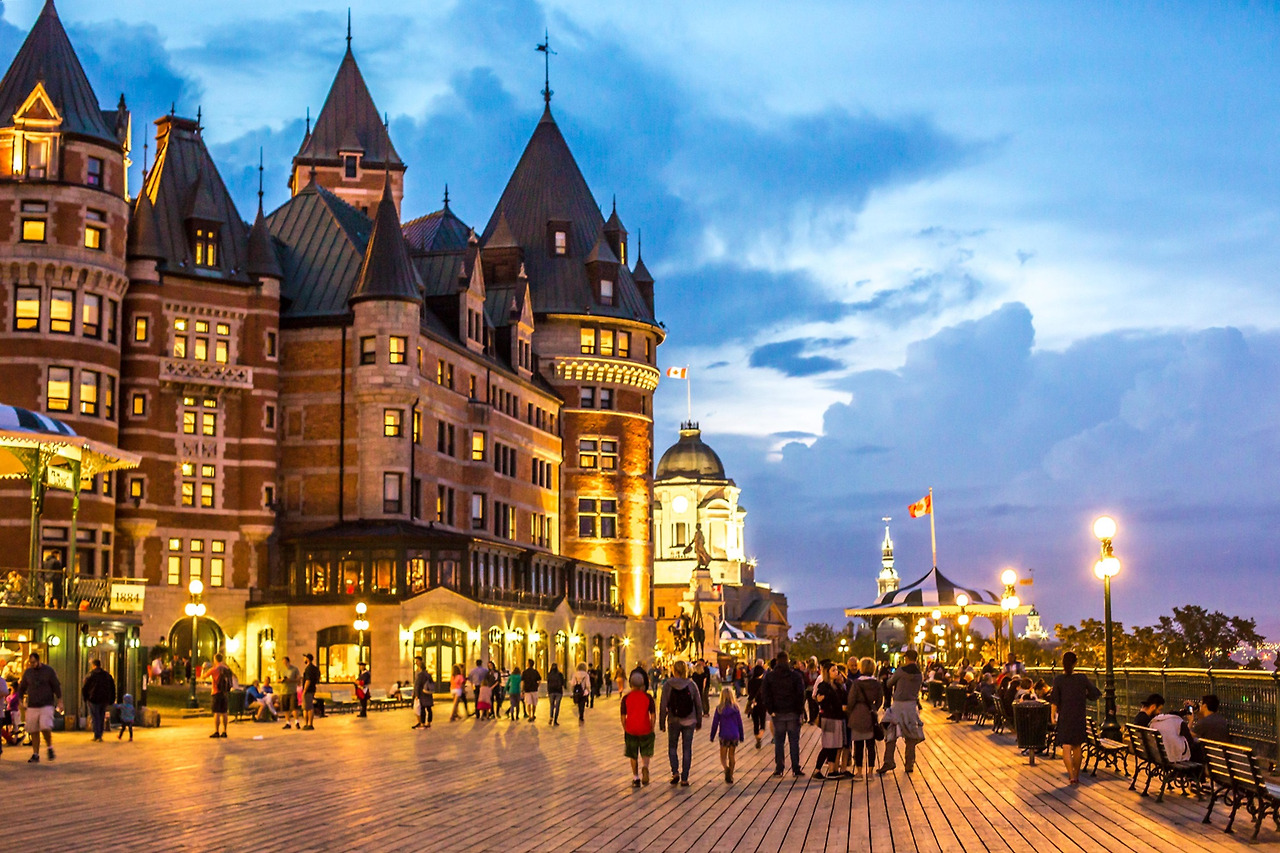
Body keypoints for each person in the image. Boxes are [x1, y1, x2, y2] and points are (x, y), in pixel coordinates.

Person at [1048, 651, 1100, 786]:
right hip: (1079, 716)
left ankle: (1071, 776)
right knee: (1077, 747)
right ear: (1075, 663)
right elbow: (1094, 693)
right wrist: (1084, 694)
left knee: (1066, 747)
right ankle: (1076, 775)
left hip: (1065, 716)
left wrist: (1053, 716)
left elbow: (1054, 700)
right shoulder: (1082, 678)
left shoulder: (1059, 680)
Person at [762, 650, 808, 778]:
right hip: (792, 712)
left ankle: (779, 767)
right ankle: (796, 767)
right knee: (794, 741)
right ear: (787, 660)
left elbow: (765, 694)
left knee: (779, 741)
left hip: (777, 713)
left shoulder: (770, 676)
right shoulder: (795, 676)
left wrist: (771, 709)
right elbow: (800, 694)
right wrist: (799, 710)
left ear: (777, 661)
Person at [878, 649, 924, 775]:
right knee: (910, 737)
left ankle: (889, 761)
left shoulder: (900, 671)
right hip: (911, 706)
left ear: (907, 658)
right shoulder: (920, 674)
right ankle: (909, 764)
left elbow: (889, 683)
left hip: (898, 705)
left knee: (891, 732)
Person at [659, 659, 703, 786]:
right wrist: (699, 721)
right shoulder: (691, 684)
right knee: (687, 748)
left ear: (674, 670)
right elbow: (698, 704)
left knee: (672, 746)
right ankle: (685, 778)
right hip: (689, 720)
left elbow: (663, 705)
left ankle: (675, 772)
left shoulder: (668, 685)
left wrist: (662, 723)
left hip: (673, 720)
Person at [18, 652, 61, 763]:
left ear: (38, 660)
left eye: (33, 662)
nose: (32, 665)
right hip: (32, 705)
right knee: (33, 729)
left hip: (46, 704)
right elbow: (22, 687)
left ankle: (49, 747)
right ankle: (35, 754)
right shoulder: (28, 673)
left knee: (45, 726)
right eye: (30, 663)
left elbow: (56, 685)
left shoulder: (48, 671)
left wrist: (60, 700)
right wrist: (20, 700)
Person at [847, 657, 884, 780]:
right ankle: (870, 772)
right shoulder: (877, 683)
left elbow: (851, 700)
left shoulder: (856, 683)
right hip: (870, 714)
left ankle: (859, 772)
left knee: (858, 745)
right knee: (870, 744)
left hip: (858, 713)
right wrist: (874, 708)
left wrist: (850, 712)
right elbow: (880, 700)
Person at [813, 663, 848, 780]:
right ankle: (817, 770)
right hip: (829, 718)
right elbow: (820, 698)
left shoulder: (836, 685)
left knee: (835, 744)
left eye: (837, 670)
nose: (836, 672)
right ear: (827, 672)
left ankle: (832, 770)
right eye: (833, 670)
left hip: (837, 717)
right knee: (828, 744)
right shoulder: (824, 686)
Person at [622, 671, 656, 787]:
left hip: (631, 728)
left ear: (631, 685)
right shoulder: (648, 697)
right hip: (645, 727)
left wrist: (625, 727)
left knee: (633, 754)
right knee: (645, 751)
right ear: (642, 685)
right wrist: (652, 726)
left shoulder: (626, 698)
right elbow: (652, 714)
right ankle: (645, 767)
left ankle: (636, 777)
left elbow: (623, 716)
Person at [708, 686, 744, 783]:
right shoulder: (736, 708)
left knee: (723, 756)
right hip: (734, 734)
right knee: (732, 755)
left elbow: (715, 723)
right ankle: (731, 775)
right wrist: (741, 735)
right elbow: (740, 723)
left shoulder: (719, 709)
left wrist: (712, 735)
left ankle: (726, 768)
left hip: (724, 734)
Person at [81, 658, 115, 742]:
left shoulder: (90, 675)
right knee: (101, 716)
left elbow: (85, 688)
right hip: (104, 699)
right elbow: (112, 687)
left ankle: (97, 735)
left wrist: (85, 698)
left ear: (94, 665)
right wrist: (112, 699)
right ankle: (100, 734)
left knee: (95, 717)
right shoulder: (107, 675)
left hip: (93, 699)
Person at [207, 653, 232, 739]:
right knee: (224, 712)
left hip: (216, 692)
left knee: (217, 712)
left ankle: (217, 731)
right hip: (224, 692)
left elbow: (203, 676)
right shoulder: (226, 668)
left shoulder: (214, 669)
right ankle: (225, 731)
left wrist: (203, 668)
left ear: (215, 659)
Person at [746, 662, 768, 750]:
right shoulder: (764, 682)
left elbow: (748, 692)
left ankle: (757, 739)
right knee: (762, 723)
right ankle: (759, 737)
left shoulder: (750, 681)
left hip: (753, 704)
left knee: (755, 722)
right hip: (762, 704)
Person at [412, 657, 435, 729]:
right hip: (428, 693)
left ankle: (422, 723)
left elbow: (417, 685)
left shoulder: (420, 675)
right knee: (429, 708)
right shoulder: (428, 674)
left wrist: (416, 695)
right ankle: (429, 722)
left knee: (422, 709)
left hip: (422, 694)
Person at [279, 656, 301, 730]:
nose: (285, 664)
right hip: (284, 691)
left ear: (289, 662)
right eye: (283, 663)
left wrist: (291, 680)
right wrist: (281, 680)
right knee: (286, 708)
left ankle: (296, 721)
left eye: (286, 662)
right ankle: (287, 722)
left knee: (294, 707)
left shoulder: (294, 669)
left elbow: (298, 678)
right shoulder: (281, 669)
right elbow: (277, 679)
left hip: (292, 691)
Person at [300, 653, 320, 730]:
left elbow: (308, 680)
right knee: (308, 707)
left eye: (305, 658)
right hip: (312, 689)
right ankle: (308, 723)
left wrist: (304, 690)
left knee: (307, 707)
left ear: (307, 659)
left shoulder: (308, 669)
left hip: (308, 690)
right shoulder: (315, 668)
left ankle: (309, 724)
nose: (304, 660)